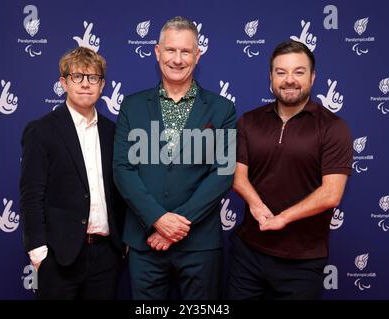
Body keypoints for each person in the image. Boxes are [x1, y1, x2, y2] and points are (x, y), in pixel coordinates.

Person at [113, 16, 236, 300]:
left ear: (197, 55)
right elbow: (123, 169)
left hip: (200, 243)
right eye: (171, 50)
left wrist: (174, 225)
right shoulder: (132, 106)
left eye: (185, 51)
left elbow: (223, 172)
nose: (177, 59)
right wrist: (157, 218)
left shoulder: (222, 108)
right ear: (157, 52)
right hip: (145, 242)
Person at [227, 40, 352, 300]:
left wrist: (283, 218)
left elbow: (331, 194)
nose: (289, 80)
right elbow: (237, 175)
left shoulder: (333, 128)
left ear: (313, 76)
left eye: (299, 71)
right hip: (248, 254)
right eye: (281, 72)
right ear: (271, 77)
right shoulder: (248, 121)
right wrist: (255, 203)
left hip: (302, 261)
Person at [20, 47, 125, 299]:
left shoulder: (114, 132)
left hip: (106, 255)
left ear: (102, 85)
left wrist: (123, 243)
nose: (85, 84)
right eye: (77, 77)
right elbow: (31, 194)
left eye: (93, 78)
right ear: (64, 83)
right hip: (59, 256)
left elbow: (121, 189)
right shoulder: (42, 130)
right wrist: (38, 251)